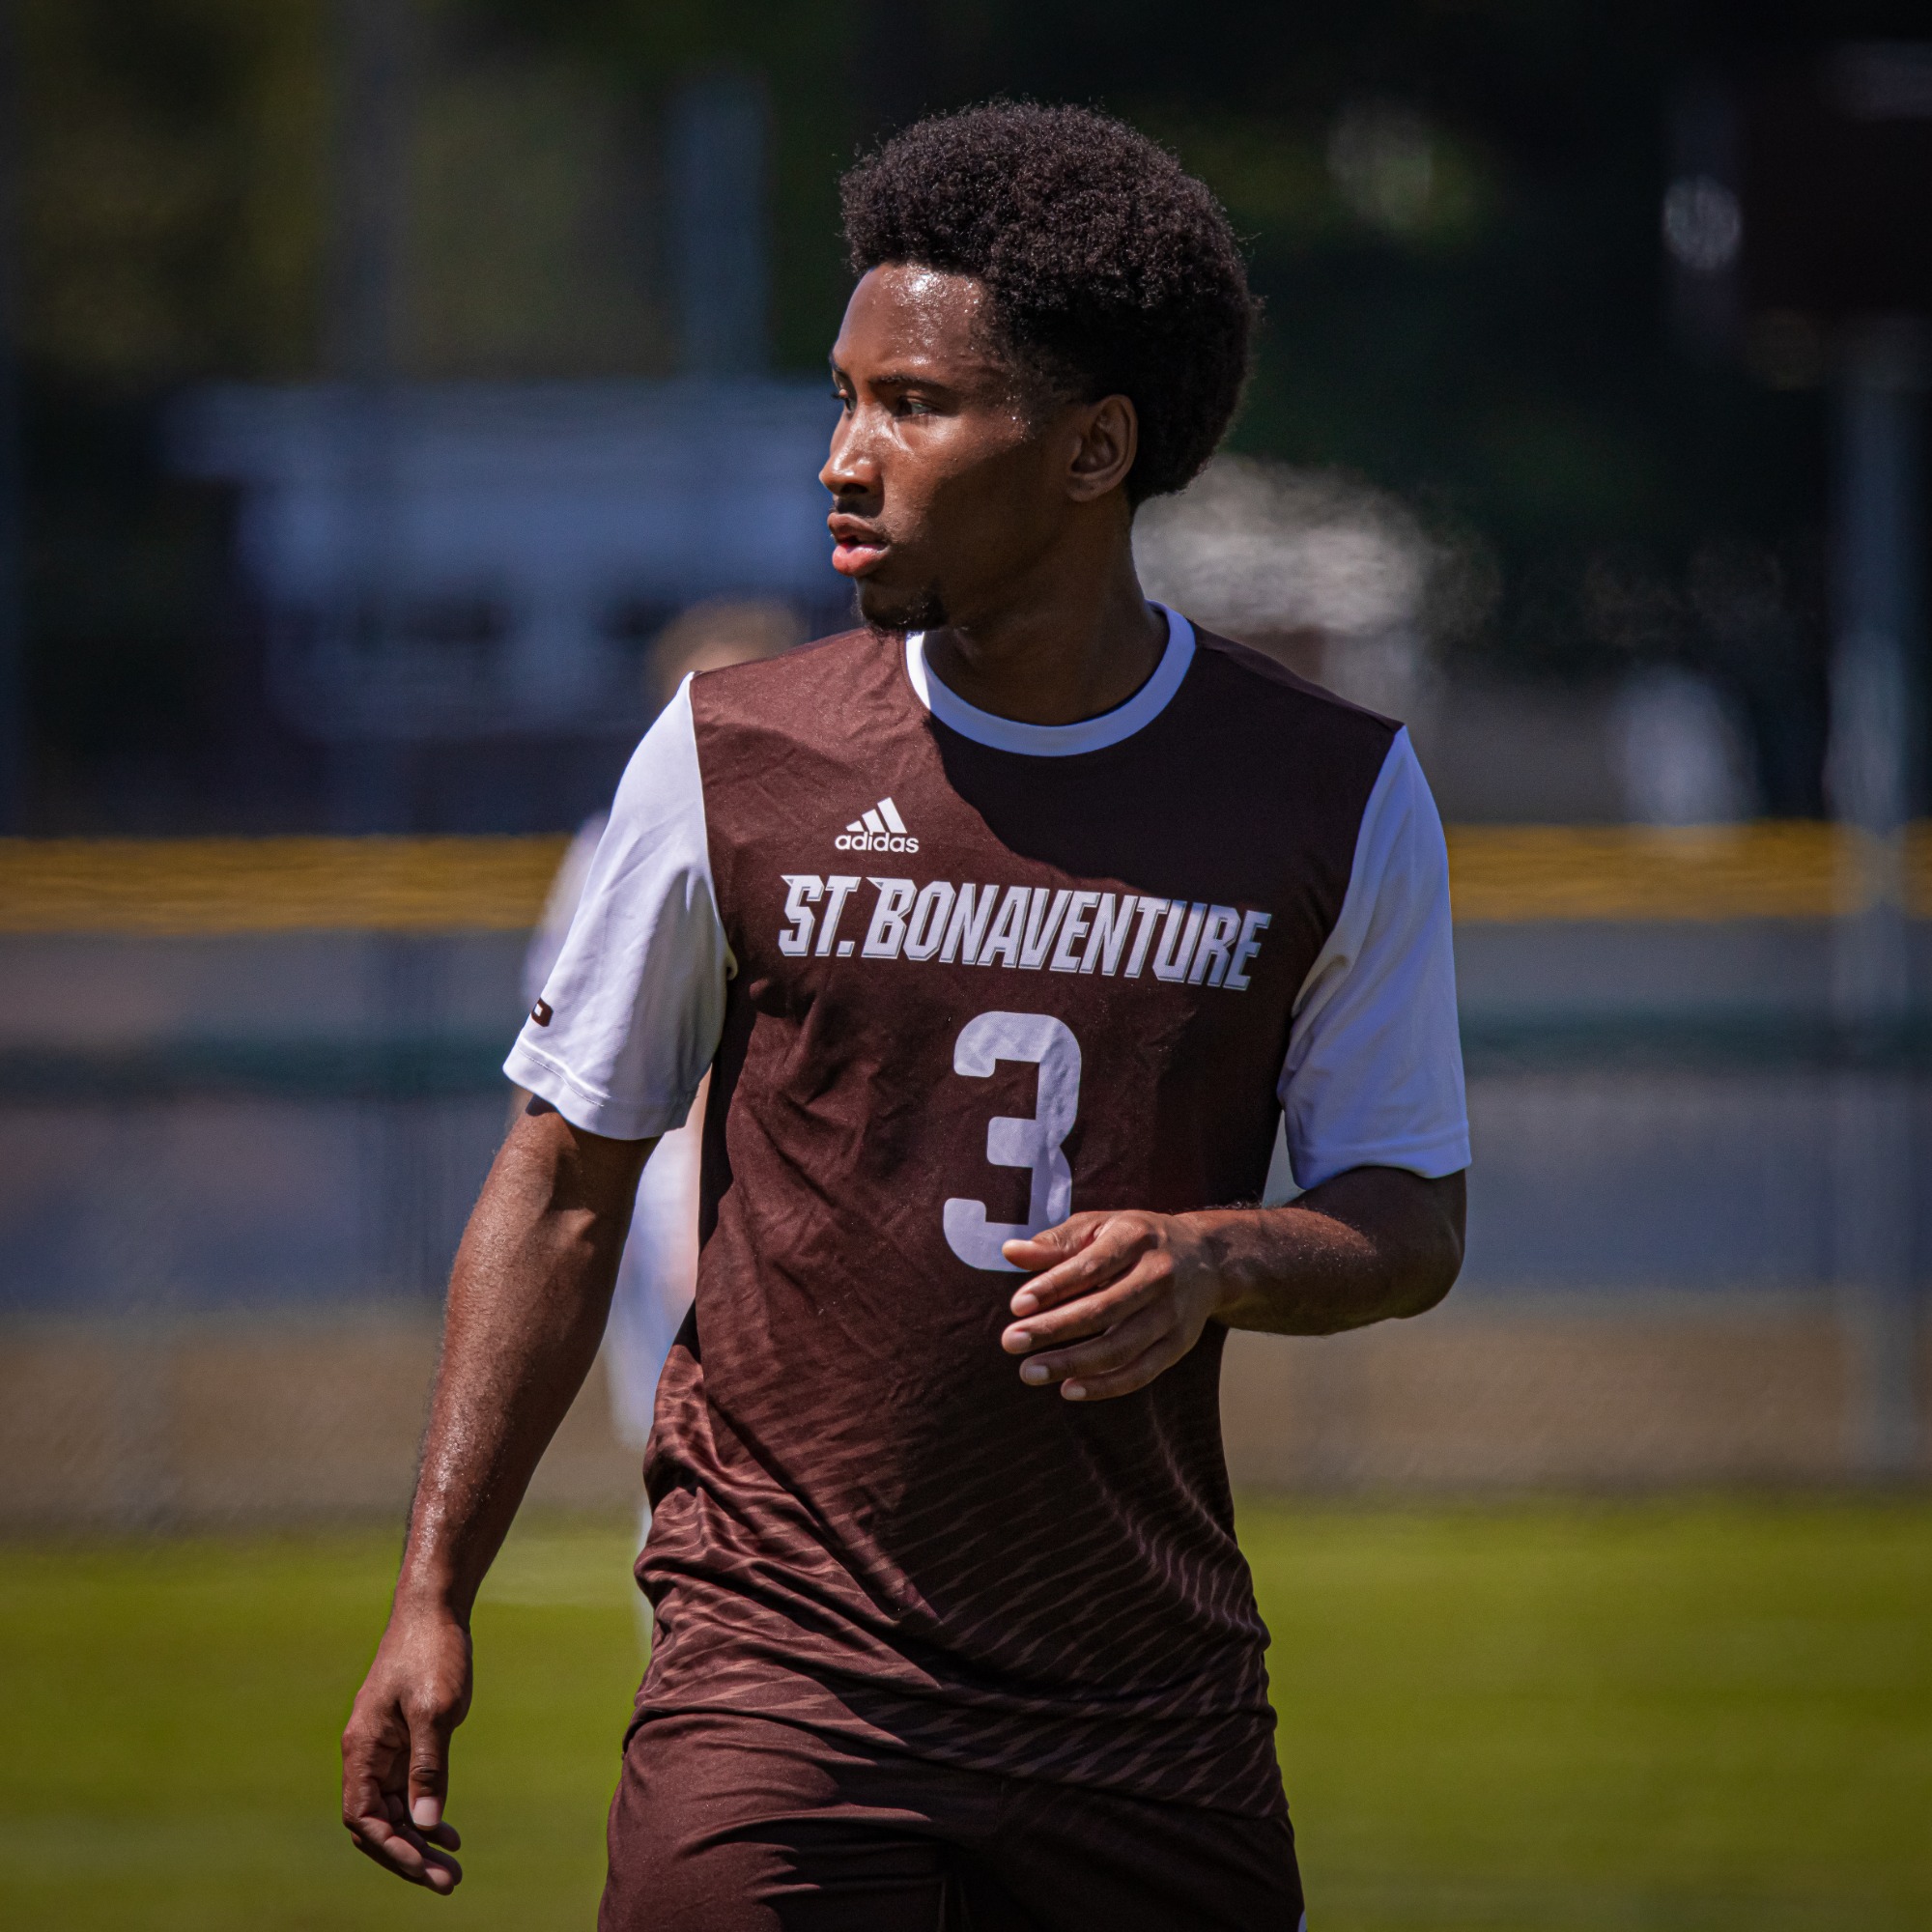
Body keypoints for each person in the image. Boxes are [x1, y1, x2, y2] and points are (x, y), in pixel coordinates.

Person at [342, 102, 1469, 1930]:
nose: (843, 461)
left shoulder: (1332, 793)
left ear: (1096, 446)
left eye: (917, 407)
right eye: (844, 396)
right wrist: (428, 1592)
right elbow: (559, 1188)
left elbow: (1411, 1214)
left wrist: (1217, 1257)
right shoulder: (735, 756)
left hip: (1146, 1704)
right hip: (782, 1686)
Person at [519, 599, 804, 1476]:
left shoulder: (824, 840)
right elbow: (560, 1061)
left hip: (778, 1177)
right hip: (654, 1164)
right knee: (671, 1435)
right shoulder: (615, 843)